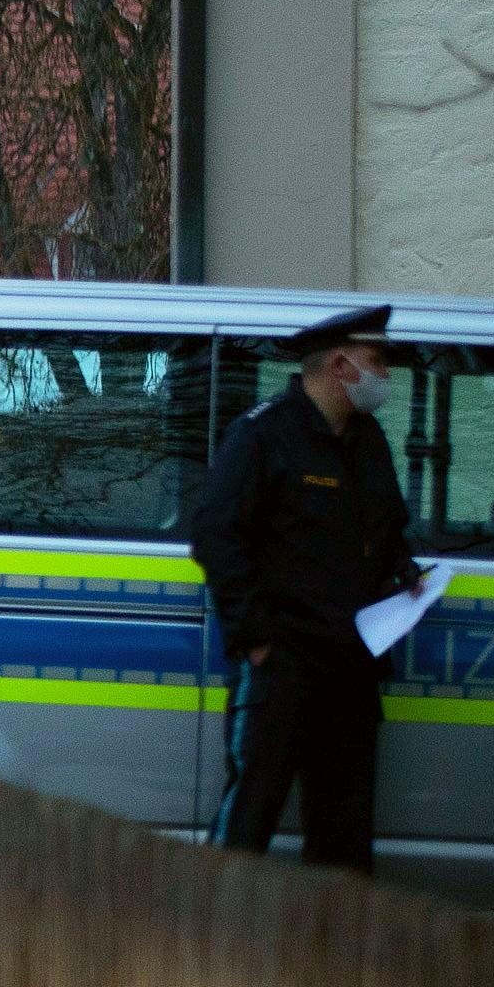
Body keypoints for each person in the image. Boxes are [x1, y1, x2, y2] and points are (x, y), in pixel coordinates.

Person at [185, 302, 425, 874]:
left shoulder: (366, 440)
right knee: (249, 821)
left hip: (351, 668)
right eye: (377, 361)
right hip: (283, 665)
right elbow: (215, 537)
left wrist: (407, 571)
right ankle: (208, 945)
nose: (384, 375)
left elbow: (384, 527)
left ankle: (327, 959)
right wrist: (257, 640)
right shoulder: (265, 435)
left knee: (344, 840)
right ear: (341, 365)